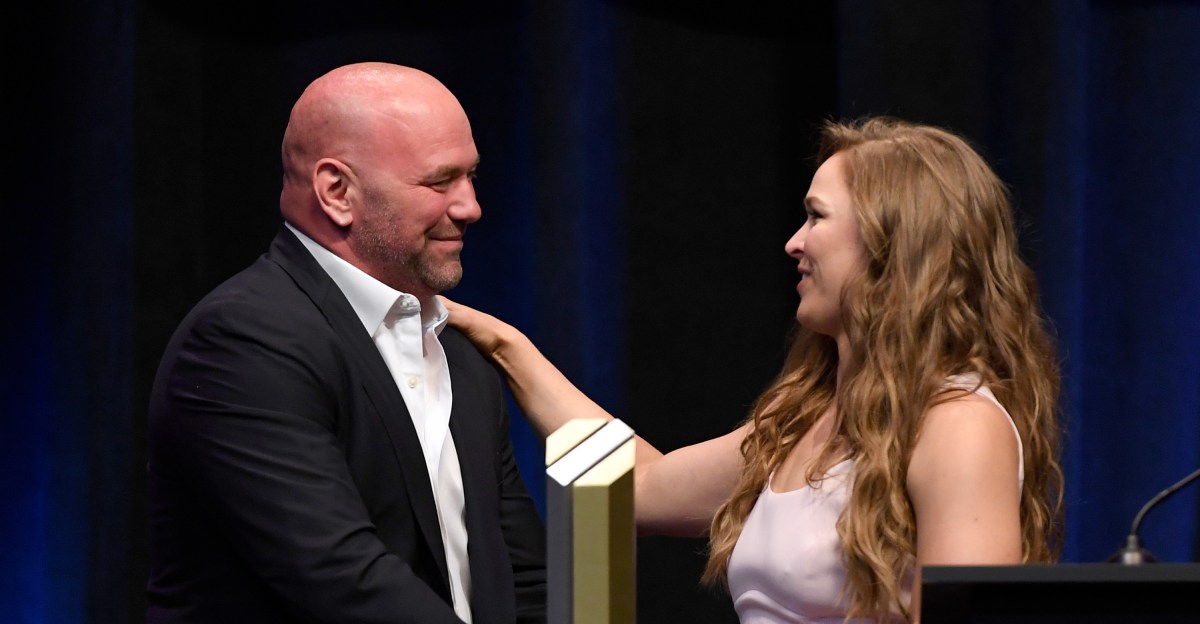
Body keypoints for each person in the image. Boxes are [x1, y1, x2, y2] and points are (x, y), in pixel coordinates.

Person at [442, 116, 1064, 623]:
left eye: (817, 216)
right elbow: (633, 488)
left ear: (890, 243)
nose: (794, 242)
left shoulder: (957, 424)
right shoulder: (802, 423)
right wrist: (505, 346)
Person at [146, 62, 546, 623]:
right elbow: (341, 580)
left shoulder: (456, 348)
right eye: (440, 182)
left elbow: (523, 577)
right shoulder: (242, 341)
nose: (470, 207)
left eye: (471, 176)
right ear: (337, 191)